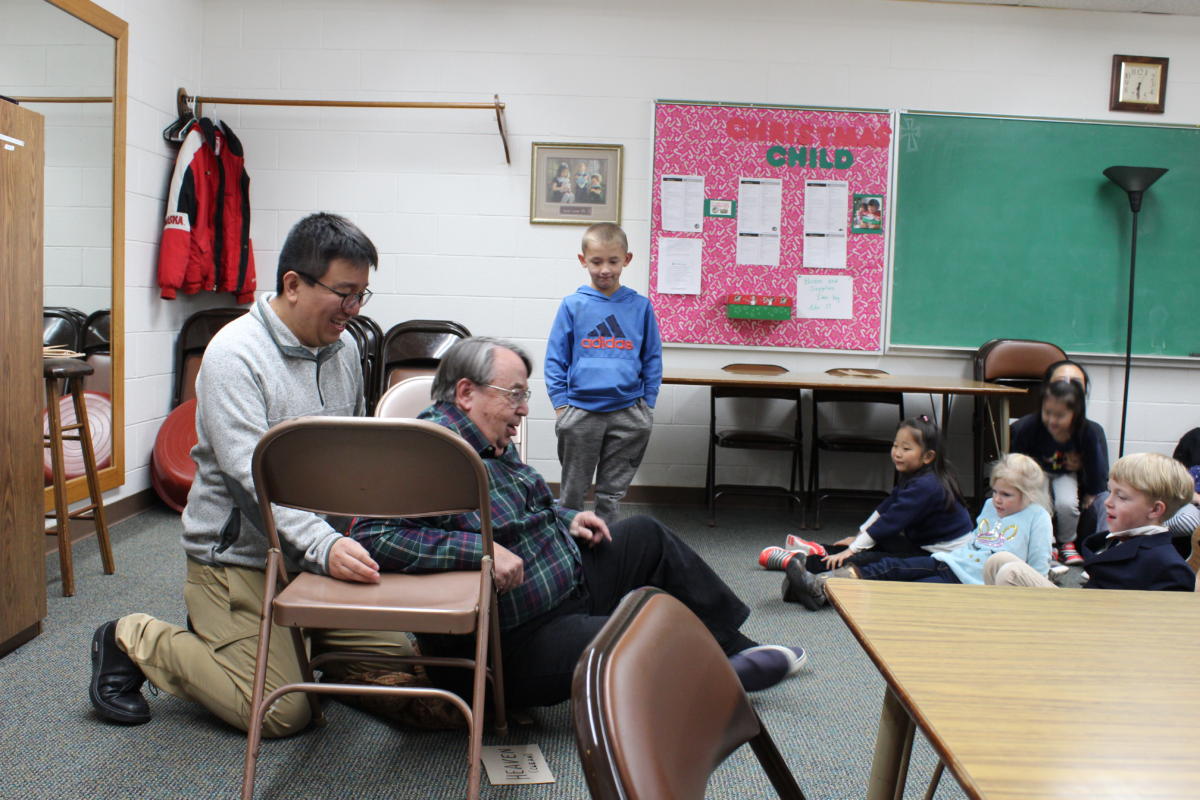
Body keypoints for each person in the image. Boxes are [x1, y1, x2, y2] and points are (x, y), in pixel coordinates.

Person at [88, 213, 416, 737]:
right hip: (238, 561)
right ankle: (135, 638)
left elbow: (352, 452)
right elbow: (249, 478)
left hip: (309, 561)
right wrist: (323, 544)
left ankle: (284, 644)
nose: (354, 309)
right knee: (282, 712)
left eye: (362, 295)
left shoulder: (347, 348)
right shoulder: (234, 354)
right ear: (293, 284)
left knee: (403, 665)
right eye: (344, 293)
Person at [350, 337, 806, 707]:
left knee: (644, 533)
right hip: (516, 642)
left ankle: (734, 646)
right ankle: (716, 679)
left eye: (524, 395)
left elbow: (526, 505)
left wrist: (567, 516)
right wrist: (482, 551)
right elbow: (373, 536)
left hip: (566, 589)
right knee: (638, 636)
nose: (523, 408)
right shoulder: (427, 453)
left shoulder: (490, 441)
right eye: (514, 395)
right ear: (467, 393)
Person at [785, 454, 1052, 602]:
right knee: (890, 567)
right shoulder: (990, 506)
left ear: (1028, 494)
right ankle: (819, 585)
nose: (997, 499)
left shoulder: (1037, 517)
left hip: (969, 582)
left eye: (1006, 495)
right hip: (949, 561)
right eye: (995, 491)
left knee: (906, 594)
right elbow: (975, 541)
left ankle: (820, 592)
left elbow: (1037, 571)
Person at [782, 415, 973, 610]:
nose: (897, 453)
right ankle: (808, 562)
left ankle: (814, 578)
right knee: (873, 544)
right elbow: (886, 508)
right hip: (923, 545)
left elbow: (890, 522)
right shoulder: (916, 474)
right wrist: (858, 537)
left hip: (942, 557)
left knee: (879, 561)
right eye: (895, 446)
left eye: (906, 449)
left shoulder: (927, 485)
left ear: (928, 457)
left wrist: (854, 548)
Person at [544, 222, 662, 524]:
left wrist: (647, 405)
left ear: (627, 259)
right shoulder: (573, 305)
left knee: (611, 494)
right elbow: (555, 359)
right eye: (596, 261)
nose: (605, 269)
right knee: (572, 492)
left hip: (629, 412)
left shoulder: (640, 307)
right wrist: (561, 406)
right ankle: (569, 544)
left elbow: (652, 358)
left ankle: (607, 544)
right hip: (581, 412)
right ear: (583, 260)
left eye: (613, 261)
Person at [984, 452, 1196, 591]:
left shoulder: (1169, 567)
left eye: (1121, 497)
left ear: (1156, 509)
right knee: (998, 560)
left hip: (1093, 628)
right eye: (1110, 492)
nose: (1108, 503)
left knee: (1011, 573)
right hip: (1085, 607)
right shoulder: (1118, 540)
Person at [1011, 376, 1108, 566]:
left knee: (1067, 504)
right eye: (1047, 413)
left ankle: (1067, 543)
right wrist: (1020, 481)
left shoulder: (1086, 431)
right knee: (1041, 504)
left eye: (1060, 416)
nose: (1052, 420)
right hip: (1036, 472)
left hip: (1064, 473)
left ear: (1075, 414)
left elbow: (1095, 463)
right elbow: (1018, 456)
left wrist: (1092, 491)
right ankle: (1047, 544)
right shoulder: (1029, 426)